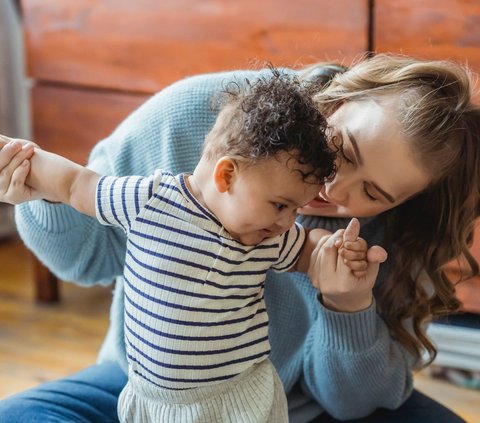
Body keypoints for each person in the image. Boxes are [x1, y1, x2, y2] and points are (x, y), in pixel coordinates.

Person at [0, 53, 478, 422]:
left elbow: (355, 404)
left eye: (372, 193)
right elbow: (87, 258)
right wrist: (42, 192)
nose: (333, 189)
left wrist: (348, 308)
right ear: (336, 99)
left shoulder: (400, 235)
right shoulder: (194, 114)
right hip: (155, 390)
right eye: (342, 151)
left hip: (297, 408)